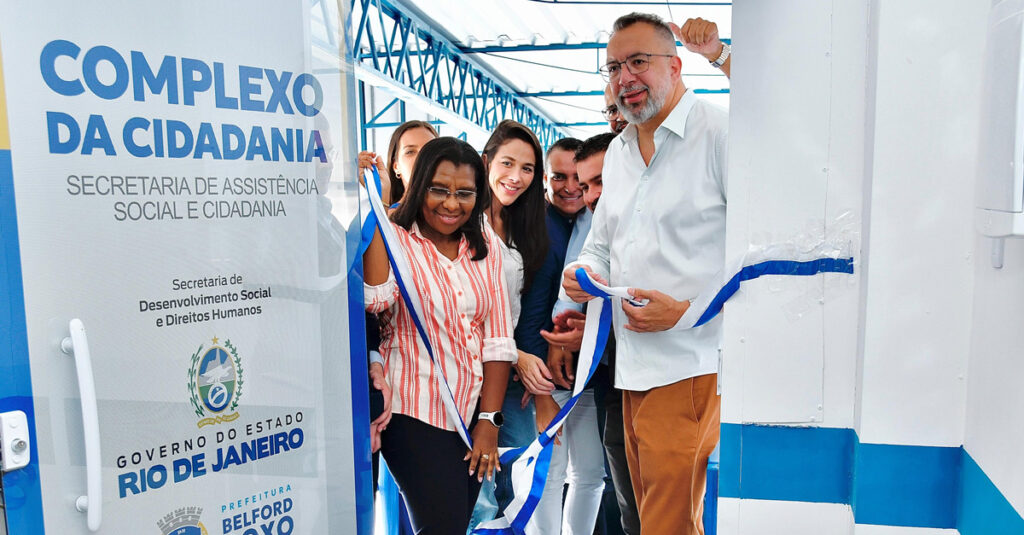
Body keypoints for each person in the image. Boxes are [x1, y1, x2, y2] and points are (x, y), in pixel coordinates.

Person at [562, 12, 730, 535]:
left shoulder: (720, 132)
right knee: (649, 523)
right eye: (614, 67)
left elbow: (758, 252)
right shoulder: (617, 151)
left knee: (667, 526)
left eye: (639, 61)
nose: (624, 78)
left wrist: (685, 312)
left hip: (689, 365)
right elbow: (604, 244)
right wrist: (584, 272)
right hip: (630, 373)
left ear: (676, 66)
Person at [362, 136, 516, 534]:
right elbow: (376, 298)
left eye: (464, 193)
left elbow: (498, 339)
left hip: (469, 416)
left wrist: (489, 420)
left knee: (454, 523)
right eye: (439, 190)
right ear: (418, 187)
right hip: (414, 411)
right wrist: (376, 206)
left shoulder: (485, 246)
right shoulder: (395, 236)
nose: (451, 204)